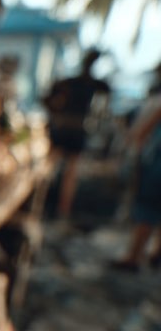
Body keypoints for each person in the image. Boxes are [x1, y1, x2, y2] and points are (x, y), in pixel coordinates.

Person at [44, 50, 111, 220]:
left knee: (58, 170)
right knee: (62, 171)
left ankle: (51, 206)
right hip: (74, 129)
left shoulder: (75, 83)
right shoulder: (88, 84)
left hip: (68, 128)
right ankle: (53, 207)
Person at [114, 70, 161, 270]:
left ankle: (134, 256)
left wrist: (132, 155)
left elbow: (140, 133)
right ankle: (154, 253)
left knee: (147, 210)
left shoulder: (158, 102)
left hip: (156, 165)